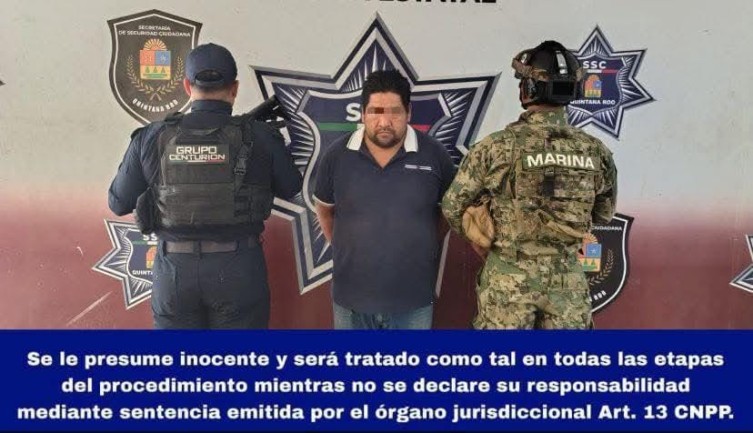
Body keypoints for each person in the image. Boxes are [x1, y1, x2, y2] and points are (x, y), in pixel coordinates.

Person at [108, 43, 302, 329]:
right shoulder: (260, 136)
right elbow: (290, 186)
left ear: (187, 86)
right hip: (239, 268)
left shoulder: (151, 137)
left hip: (174, 270)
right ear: (234, 88)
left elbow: (118, 202)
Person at [441, 40, 617, 329]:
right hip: (567, 284)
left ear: (529, 89)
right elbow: (603, 214)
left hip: (508, 279)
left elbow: (452, 206)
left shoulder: (496, 147)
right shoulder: (596, 151)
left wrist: (480, 239)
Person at [313, 70, 456, 329]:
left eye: (395, 112)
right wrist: (348, 247)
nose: (385, 122)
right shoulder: (336, 156)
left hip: (413, 300)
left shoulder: (435, 154)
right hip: (351, 299)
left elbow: (448, 211)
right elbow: (324, 210)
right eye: (375, 112)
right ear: (362, 113)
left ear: (408, 112)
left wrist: (422, 245)